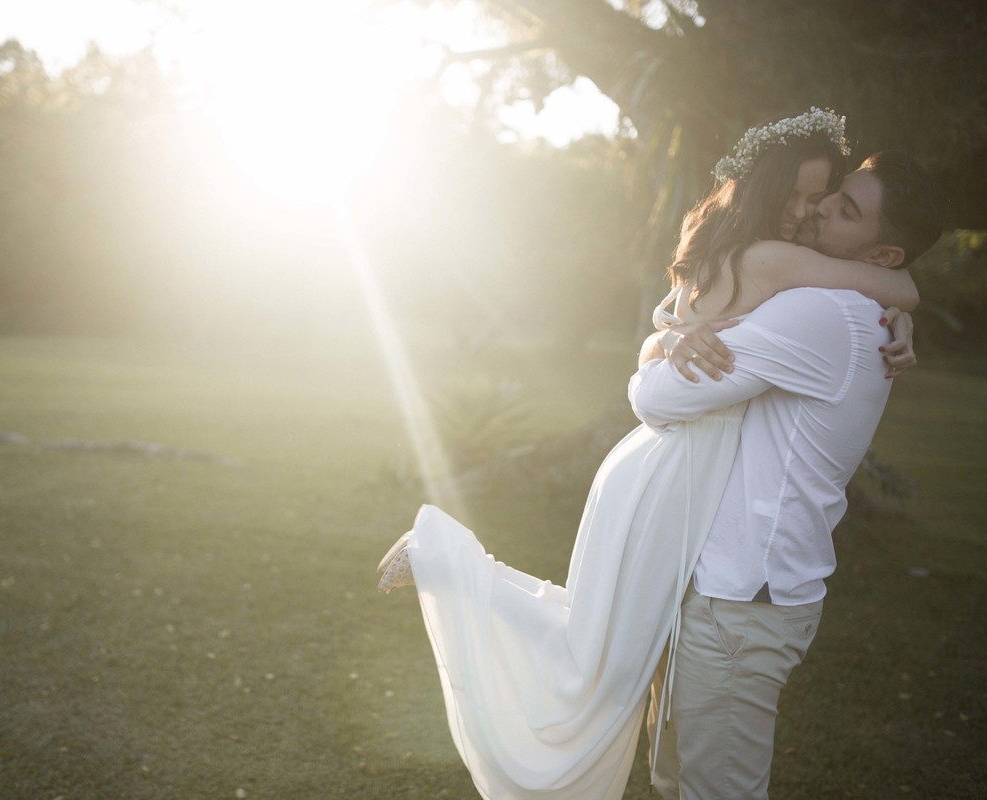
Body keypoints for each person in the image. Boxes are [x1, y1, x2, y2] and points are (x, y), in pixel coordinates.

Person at [375, 110, 923, 800]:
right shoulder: (777, 265)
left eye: (829, 203)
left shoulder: (767, 266)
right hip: (673, 471)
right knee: (599, 654)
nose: (809, 212)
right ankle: (446, 562)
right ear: (766, 189)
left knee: (597, 643)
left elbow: (675, 339)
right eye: (806, 196)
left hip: (666, 474)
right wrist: (900, 302)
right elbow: (894, 287)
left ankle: (447, 563)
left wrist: (660, 344)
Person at [633, 148, 942, 800]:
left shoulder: (821, 313)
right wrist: (667, 340)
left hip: (740, 601)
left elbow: (658, 397)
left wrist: (657, 352)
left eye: (847, 209)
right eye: (834, 193)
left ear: (885, 254)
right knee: (678, 778)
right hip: (731, 587)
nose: (822, 207)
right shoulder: (832, 300)